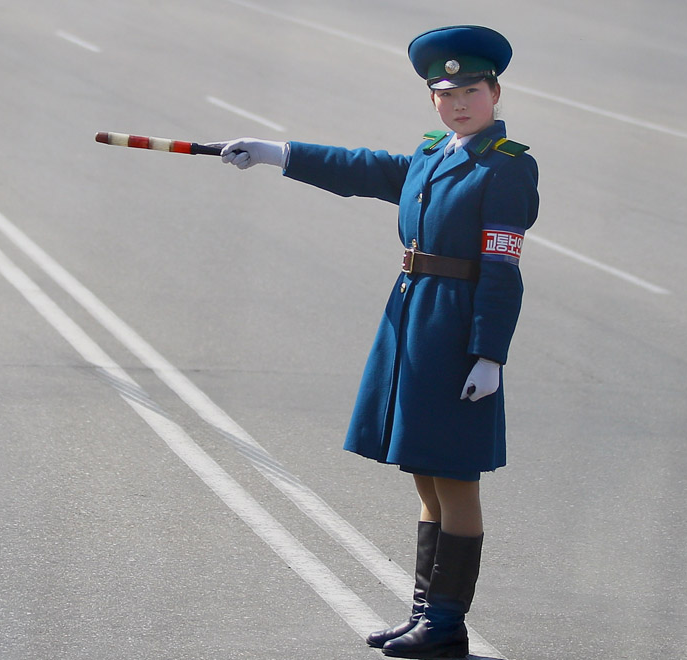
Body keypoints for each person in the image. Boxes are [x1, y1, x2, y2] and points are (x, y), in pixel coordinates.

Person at [207, 25, 539, 659]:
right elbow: (363, 169)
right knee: (422, 468)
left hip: (457, 324)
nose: (459, 102)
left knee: (455, 475)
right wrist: (277, 152)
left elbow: (502, 267)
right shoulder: (436, 153)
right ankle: (424, 613)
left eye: (471, 90)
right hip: (412, 318)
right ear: (432, 102)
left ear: (495, 92)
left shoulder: (508, 166)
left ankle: (445, 623)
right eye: (446, 94)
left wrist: (490, 353)